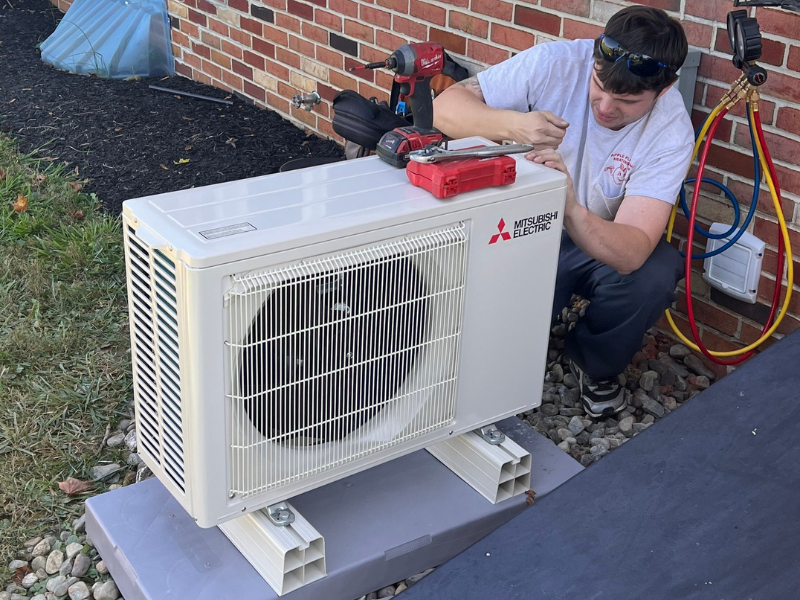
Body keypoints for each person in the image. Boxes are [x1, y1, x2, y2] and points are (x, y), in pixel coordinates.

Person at [432, 5, 693, 418]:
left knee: (655, 272)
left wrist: (568, 203)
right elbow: (444, 109)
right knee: (493, 351)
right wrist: (513, 125)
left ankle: (593, 362)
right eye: (598, 86)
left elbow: (633, 249)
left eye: (626, 100)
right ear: (594, 58)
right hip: (519, 227)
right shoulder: (556, 62)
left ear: (663, 90)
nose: (605, 106)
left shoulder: (671, 131)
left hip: (592, 238)